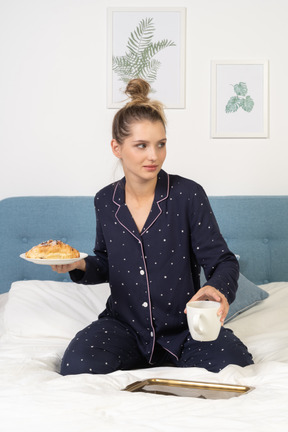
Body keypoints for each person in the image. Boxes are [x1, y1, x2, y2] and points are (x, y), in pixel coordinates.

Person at [52, 78, 253, 375]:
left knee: (233, 364)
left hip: (185, 328)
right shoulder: (105, 201)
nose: (154, 156)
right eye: (141, 146)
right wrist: (78, 264)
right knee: (77, 363)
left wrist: (215, 287)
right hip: (125, 326)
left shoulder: (188, 195)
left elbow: (222, 261)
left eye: (161, 144)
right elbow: (107, 262)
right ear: (116, 147)